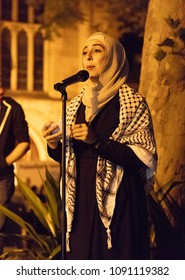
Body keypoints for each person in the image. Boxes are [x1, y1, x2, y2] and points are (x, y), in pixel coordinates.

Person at [42, 32, 157, 260]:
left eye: (97, 50)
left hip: (120, 200)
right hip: (81, 200)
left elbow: (142, 157)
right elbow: (68, 156)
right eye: (85, 52)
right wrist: (53, 143)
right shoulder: (75, 105)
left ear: (113, 58)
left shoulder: (132, 103)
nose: (88, 56)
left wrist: (96, 140)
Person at [0, 83, 30, 253]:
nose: (2, 90)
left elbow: (24, 143)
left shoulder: (13, 108)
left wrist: (3, 163)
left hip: (2, 178)